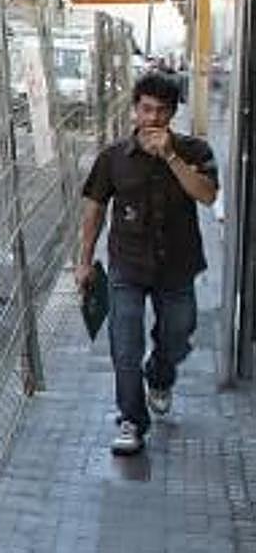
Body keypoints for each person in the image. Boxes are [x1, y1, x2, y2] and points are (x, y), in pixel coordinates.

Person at [77, 70, 218, 456]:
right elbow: (93, 209)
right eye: (146, 109)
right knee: (124, 345)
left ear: (173, 113)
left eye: (161, 111)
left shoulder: (195, 151)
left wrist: (171, 156)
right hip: (127, 265)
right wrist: (85, 261)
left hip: (177, 265)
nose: (153, 118)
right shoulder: (113, 159)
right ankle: (130, 421)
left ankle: (159, 375)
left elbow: (206, 196)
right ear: (135, 110)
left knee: (177, 334)